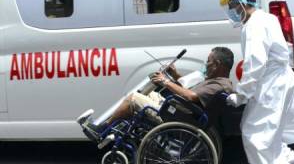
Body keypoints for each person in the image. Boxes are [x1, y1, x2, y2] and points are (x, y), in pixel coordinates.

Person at [219, 0, 294, 164]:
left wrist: (241, 95)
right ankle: (288, 159)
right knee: (266, 129)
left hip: (271, 83)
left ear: (242, 3)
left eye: (233, 6)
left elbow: (255, 63)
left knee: (256, 133)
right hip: (277, 80)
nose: (232, 12)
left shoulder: (254, 26)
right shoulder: (267, 18)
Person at [80, 47, 234, 139]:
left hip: (178, 116)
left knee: (134, 98)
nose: (206, 64)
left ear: (218, 65)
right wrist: (174, 75)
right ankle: (118, 126)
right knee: (148, 92)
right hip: (180, 110)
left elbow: (191, 96)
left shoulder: (219, 84)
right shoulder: (217, 81)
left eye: (208, 61)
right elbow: (191, 91)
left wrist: (165, 82)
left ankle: (102, 130)